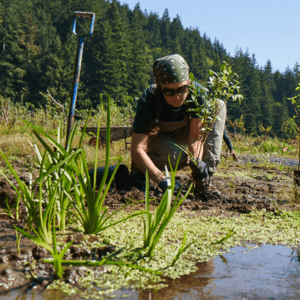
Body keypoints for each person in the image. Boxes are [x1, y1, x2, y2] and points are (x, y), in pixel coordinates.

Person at [130, 54, 226, 193]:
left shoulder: (196, 94)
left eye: (181, 89)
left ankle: (205, 178)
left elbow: (195, 138)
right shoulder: (149, 99)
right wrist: (161, 180)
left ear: (188, 82)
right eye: (169, 91)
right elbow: (137, 148)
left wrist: (197, 162)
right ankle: (142, 173)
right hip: (161, 143)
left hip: (184, 138)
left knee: (218, 104)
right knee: (174, 155)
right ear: (160, 87)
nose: (177, 97)